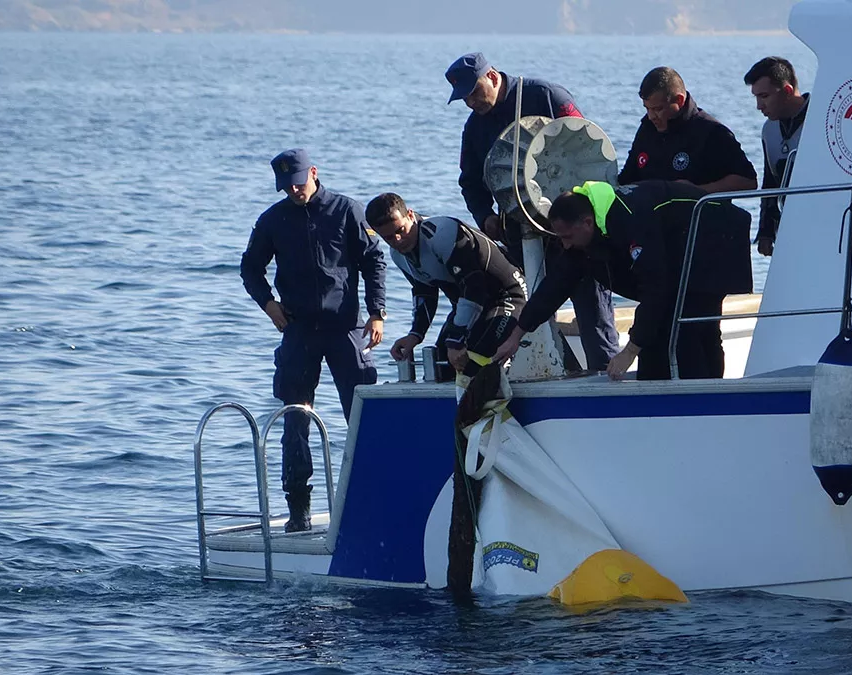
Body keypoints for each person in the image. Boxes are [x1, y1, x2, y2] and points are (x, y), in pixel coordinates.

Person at [240, 148, 387, 533]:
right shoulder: (273, 219)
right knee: (296, 420)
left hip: (345, 328)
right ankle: (298, 510)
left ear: (315, 173)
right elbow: (250, 268)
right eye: (286, 187)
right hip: (299, 330)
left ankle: (371, 499)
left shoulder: (346, 210)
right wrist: (269, 304)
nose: (294, 191)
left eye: (299, 183)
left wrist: (377, 312)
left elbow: (374, 260)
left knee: (362, 416)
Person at [445, 51, 620, 373]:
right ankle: (548, 373)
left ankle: (606, 377)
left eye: (474, 92)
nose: (471, 102)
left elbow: (584, 147)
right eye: (464, 98)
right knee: (532, 309)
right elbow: (470, 181)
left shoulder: (546, 96)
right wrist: (484, 215)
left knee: (592, 309)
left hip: (575, 230)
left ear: (493, 77)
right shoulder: (474, 129)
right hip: (521, 233)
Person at [493, 181, 752, 381]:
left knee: (689, 330)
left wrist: (630, 351)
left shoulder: (629, 220)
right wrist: (517, 335)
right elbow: (555, 286)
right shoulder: (584, 235)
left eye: (568, 236)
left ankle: (703, 401)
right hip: (678, 249)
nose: (565, 243)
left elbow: (655, 286)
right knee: (658, 340)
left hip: (715, 241)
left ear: (587, 222)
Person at [364, 192, 526, 381]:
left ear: (410, 215)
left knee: (473, 356)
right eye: (388, 238)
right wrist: (415, 335)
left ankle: (488, 404)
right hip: (471, 305)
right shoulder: (398, 255)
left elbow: (474, 288)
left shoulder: (443, 233)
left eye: (400, 230)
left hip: (508, 297)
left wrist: (457, 339)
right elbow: (425, 294)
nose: (397, 240)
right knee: (440, 366)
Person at [618, 66, 758, 195]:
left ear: (679, 100)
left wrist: (697, 191)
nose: (651, 116)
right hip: (652, 217)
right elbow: (627, 179)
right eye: (647, 108)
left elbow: (748, 181)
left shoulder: (712, 132)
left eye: (658, 109)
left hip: (698, 218)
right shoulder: (647, 128)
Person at [745, 56, 810, 258]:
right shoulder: (769, 130)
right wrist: (766, 230)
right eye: (756, 97)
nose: (759, 105)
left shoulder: (822, 119)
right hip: (789, 226)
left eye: (764, 96)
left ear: (787, 91)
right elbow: (771, 181)